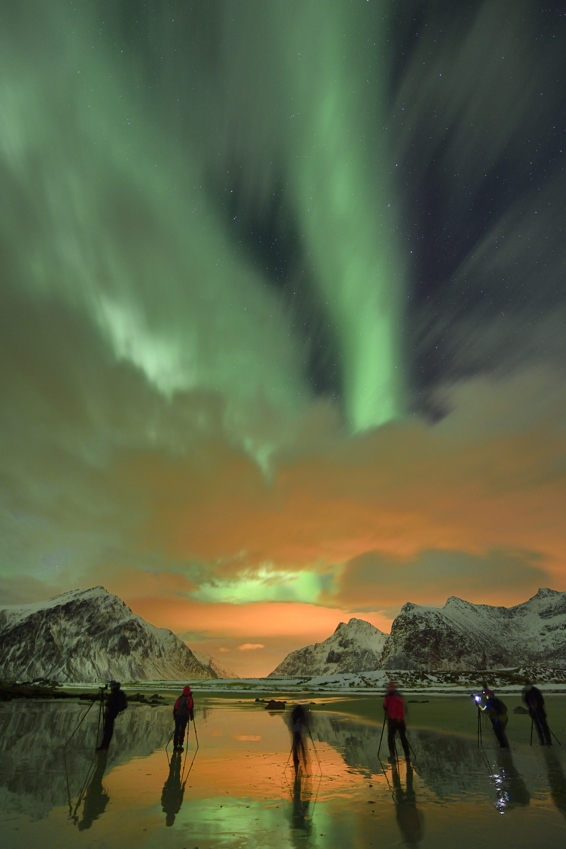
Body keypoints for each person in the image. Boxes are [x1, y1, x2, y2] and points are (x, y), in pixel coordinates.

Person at [96, 680, 127, 751]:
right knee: (109, 730)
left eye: (111, 686)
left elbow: (110, 704)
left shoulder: (115, 694)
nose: (110, 688)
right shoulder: (118, 693)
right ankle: (105, 746)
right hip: (113, 714)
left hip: (110, 714)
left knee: (107, 731)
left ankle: (103, 746)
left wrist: (106, 702)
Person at [384, 682, 411, 762]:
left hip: (392, 720)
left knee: (391, 738)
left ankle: (392, 756)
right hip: (401, 720)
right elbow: (405, 708)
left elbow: (385, 707)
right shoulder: (400, 696)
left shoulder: (387, 697)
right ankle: (407, 755)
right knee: (403, 737)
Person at [522, 681, 552, 746]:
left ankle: (548, 741)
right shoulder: (527, 693)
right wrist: (531, 708)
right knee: (538, 727)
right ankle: (542, 741)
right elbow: (526, 701)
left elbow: (541, 701)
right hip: (533, 712)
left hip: (540, 711)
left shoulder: (536, 691)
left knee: (544, 726)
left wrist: (537, 707)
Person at [161, 751, 185, 826]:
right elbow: (180, 798)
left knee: (174, 772)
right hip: (173, 787)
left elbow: (164, 795)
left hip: (173, 787)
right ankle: (177, 756)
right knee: (174, 772)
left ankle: (176, 756)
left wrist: (183, 788)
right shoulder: (167, 807)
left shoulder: (168, 807)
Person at [173, 685, 194, 752]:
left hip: (178, 716)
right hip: (184, 716)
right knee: (182, 730)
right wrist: (191, 716)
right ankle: (180, 745)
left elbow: (175, 707)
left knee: (177, 730)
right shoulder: (189, 699)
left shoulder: (179, 698)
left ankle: (175, 745)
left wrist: (175, 716)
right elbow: (190, 708)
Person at [290, 704, 308, 771]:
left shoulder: (294, 714)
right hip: (298, 731)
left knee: (296, 745)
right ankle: (298, 759)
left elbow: (293, 721)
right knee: (299, 744)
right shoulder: (299, 714)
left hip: (295, 731)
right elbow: (304, 722)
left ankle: (296, 759)